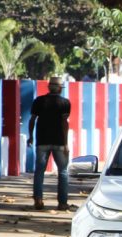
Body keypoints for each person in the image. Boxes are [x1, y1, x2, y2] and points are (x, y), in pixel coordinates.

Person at [27, 77, 71, 211]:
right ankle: (62, 203)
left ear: (48, 87)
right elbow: (64, 123)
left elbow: (32, 120)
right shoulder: (65, 103)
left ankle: (38, 199)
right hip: (59, 142)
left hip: (42, 141)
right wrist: (66, 143)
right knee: (63, 172)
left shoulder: (39, 101)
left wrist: (31, 137)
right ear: (59, 89)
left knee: (39, 171)